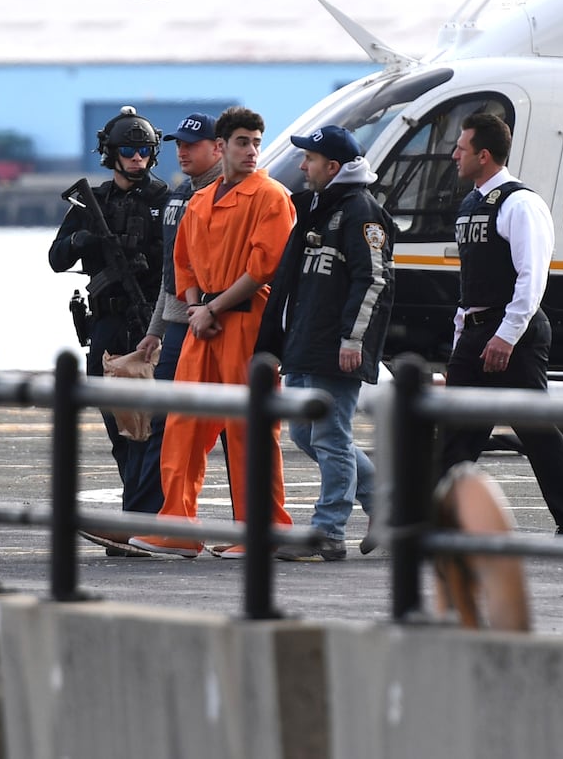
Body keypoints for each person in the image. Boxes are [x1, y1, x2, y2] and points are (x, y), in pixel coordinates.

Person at [131, 107, 298, 558]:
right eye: (243, 141)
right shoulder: (200, 201)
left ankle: (265, 530)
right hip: (203, 324)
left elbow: (264, 267)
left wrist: (211, 307)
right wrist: (194, 306)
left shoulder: (272, 196)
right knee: (183, 426)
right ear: (223, 147)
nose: (252, 151)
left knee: (251, 429)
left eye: (257, 142)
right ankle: (177, 527)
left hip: (244, 322)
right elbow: (180, 263)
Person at [441, 112, 563, 537]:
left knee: (538, 435)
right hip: (475, 334)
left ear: (483, 155)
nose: (454, 155)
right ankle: (424, 523)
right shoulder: (472, 203)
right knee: (456, 436)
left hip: (514, 337)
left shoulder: (520, 203)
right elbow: (471, 281)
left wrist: (506, 335)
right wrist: (462, 336)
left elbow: (532, 277)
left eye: (461, 147)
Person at [256, 124, 393, 561]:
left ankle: (328, 532)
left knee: (331, 439)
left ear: (332, 167)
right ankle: (387, 505)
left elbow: (373, 280)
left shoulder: (361, 212)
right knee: (305, 434)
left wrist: (353, 339)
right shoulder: (319, 207)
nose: (302, 166)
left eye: (310, 160)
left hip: (336, 350)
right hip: (305, 345)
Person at [48, 106, 171, 554]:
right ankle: (133, 515)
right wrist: (83, 240)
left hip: (148, 325)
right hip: (106, 326)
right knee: (114, 424)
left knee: (146, 426)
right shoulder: (90, 203)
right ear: (111, 154)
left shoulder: (167, 202)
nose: (137, 158)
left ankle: (140, 520)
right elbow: (56, 258)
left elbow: (179, 268)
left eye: (144, 150)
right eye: (128, 150)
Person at [136, 113, 223, 381]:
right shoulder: (181, 193)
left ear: (218, 147)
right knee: (165, 409)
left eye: (192, 145)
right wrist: (155, 330)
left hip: (212, 320)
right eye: (179, 145)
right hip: (177, 319)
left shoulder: (227, 193)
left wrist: (208, 310)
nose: (182, 152)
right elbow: (171, 266)